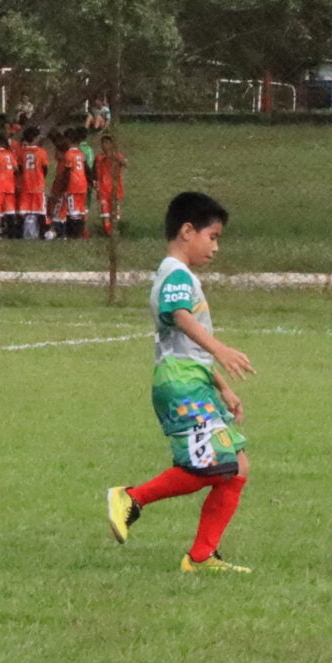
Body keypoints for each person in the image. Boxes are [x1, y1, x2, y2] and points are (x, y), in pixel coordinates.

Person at [105, 190, 254, 573]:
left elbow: (189, 338)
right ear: (188, 231)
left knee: (235, 468)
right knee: (211, 466)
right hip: (181, 386)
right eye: (213, 236)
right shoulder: (175, 273)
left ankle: (202, 556)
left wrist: (223, 387)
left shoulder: (181, 275)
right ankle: (131, 498)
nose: (216, 247)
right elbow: (180, 315)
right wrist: (221, 349)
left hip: (195, 382)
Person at [14, 125, 48, 241]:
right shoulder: (41, 152)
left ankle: (19, 233)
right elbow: (45, 169)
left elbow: (19, 168)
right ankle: (42, 233)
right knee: (40, 211)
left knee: (23, 210)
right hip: (38, 185)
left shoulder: (21, 152)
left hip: (25, 184)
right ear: (35, 138)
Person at [56, 130, 91, 239]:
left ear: (69, 140)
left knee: (72, 212)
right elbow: (87, 169)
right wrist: (90, 181)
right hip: (83, 185)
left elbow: (67, 171)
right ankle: (81, 233)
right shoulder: (80, 154)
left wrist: (64, 186)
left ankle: (74, 234)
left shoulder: (69, 154)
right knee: (81, 211)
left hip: (73, 186)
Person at [95, 127, 126, 237]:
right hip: (102, 189)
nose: (105, 146)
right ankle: (108, 233)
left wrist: (115, 158)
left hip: (115, 188)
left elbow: (125, 164)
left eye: (108, 143)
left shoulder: (118, 156)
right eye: (103, 143)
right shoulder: (99, 157)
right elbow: (95, 172)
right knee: (105, 214)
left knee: (115, 213)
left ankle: (114, 232)